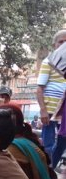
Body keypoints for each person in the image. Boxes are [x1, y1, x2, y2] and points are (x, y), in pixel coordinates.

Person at [36, 29, 66, 163]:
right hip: (49, 109)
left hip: (63, 110)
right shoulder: (48, 62)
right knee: (48, 144)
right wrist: (43, 110)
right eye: (61, 42)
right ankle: (48, 170)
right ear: (54, 45)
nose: (64, 45)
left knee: (61, 142)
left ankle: (52, 168)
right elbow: (39, 89)